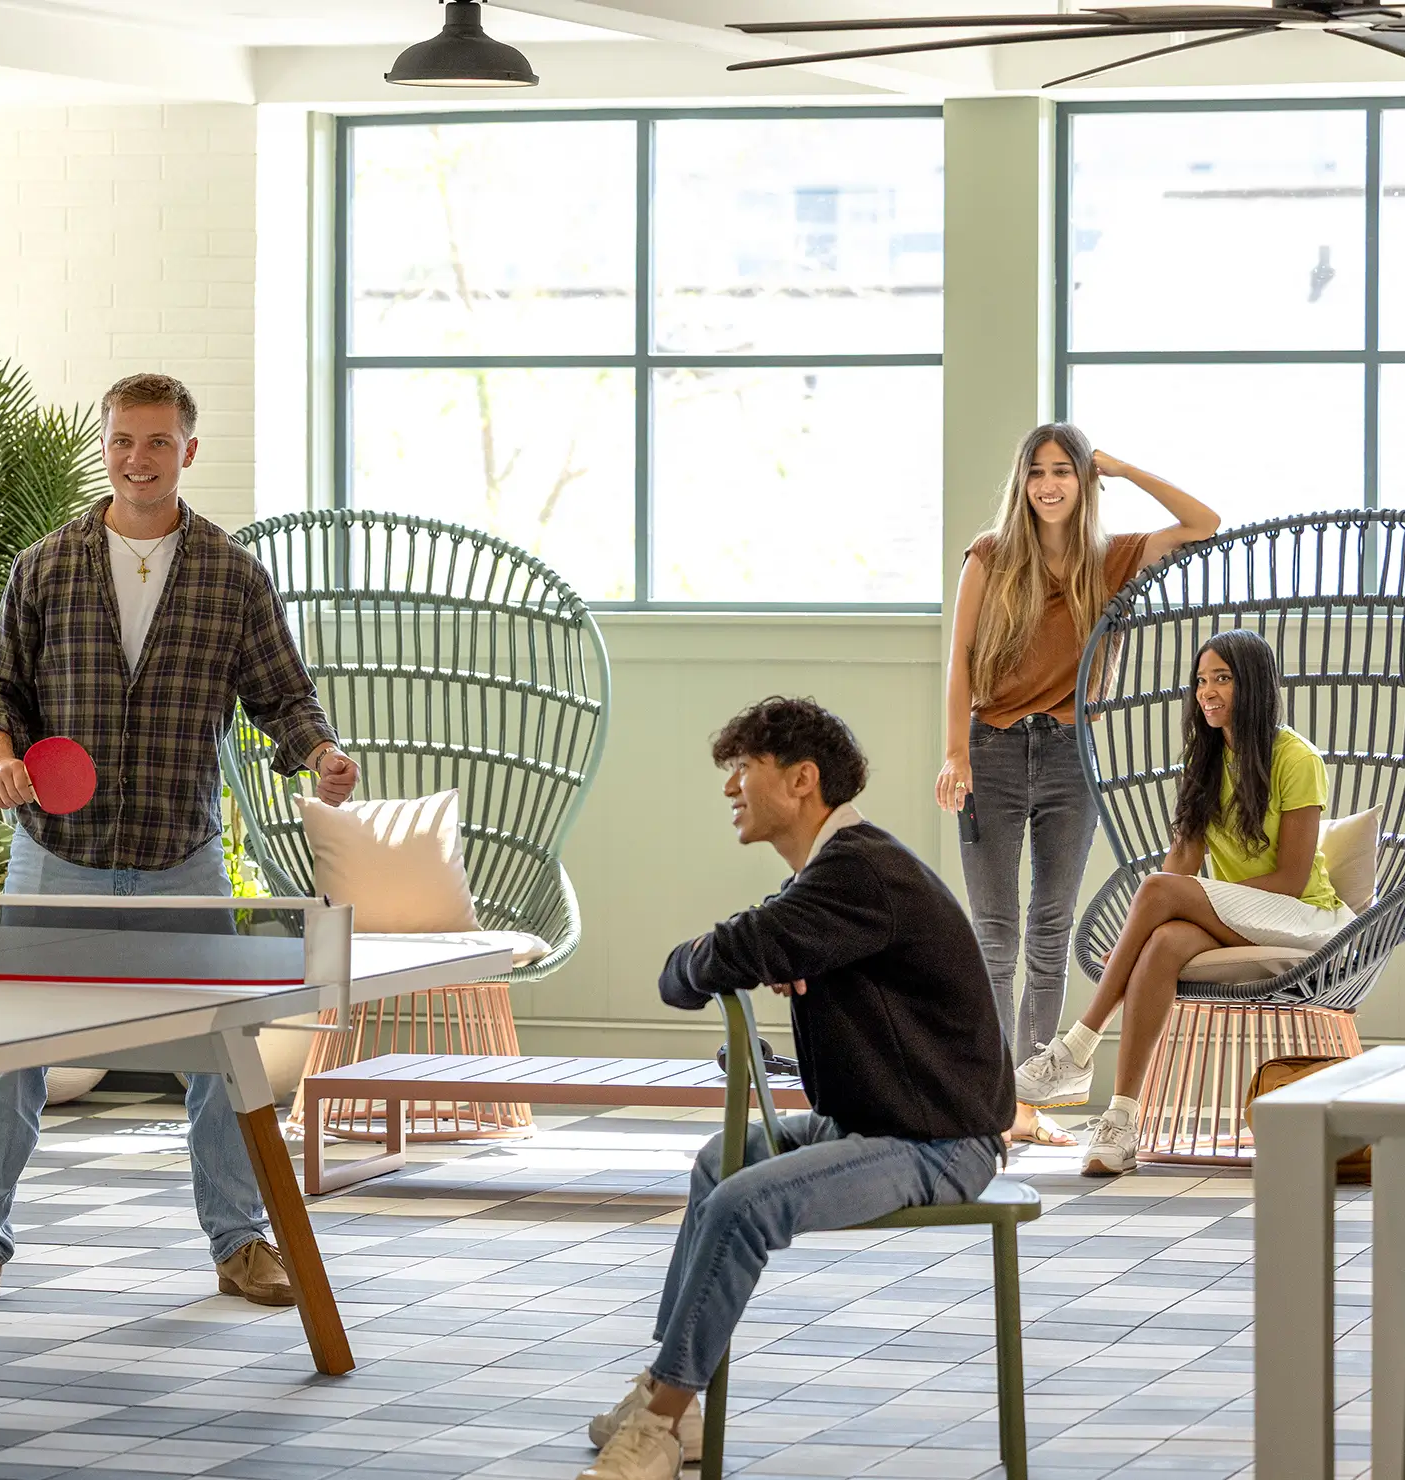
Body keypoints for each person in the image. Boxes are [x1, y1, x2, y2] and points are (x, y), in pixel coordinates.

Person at [0, 371, 360, 1309]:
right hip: (56, 855)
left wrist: (322, 755)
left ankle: (240, 1242)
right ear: (107, 447)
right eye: (125, 441)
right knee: (13, 1052)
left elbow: (283, 697)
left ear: (188, 452)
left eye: (159, 443)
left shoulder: (231, 574)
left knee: (222, 1055)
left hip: (182, 855)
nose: (140, 459)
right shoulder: (44, 566)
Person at [577, 698, 1012, 1480]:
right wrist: (741, 954)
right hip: (876, 1123)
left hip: (939, 1142)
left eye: (744, 768)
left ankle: (658, 1423)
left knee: (746, 1200)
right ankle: (677, 1400)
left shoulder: (856, 872)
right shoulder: (834, 875)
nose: (729, 788)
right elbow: (714, 963)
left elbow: (716, 957)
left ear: (802, 780)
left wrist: (735, 952)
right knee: (722, 1163)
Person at [937, 425, 1217, 1149]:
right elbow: (961, 657)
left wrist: (1124, 467)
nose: (1049, 485)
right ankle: (992, 1101)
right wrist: (953, 755)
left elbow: (1203, 523)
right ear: (1022, 483)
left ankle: (1030, 1100)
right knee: (995, 934)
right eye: (1037, 472)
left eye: (1064, 470)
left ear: (1082, 481)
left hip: (1071, 756)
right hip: (992, 751)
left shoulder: (1114, 558)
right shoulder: (990, 554)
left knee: (1051, 932)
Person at [1012, 630, 1356, 1176]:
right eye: (1201, 680)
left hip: (1303, 918)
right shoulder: (1206, 759)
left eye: (1222, 678)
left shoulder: (1296, 758)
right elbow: (1182, 868)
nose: (1207, 691)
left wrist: (1168, 905)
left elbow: (1291, 879)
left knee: (1154, 892)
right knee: (1163, 941)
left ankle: (1078, 1046)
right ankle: (1122, 1124)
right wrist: (1137, 940)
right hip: (1238, 916)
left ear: (1255, 684)